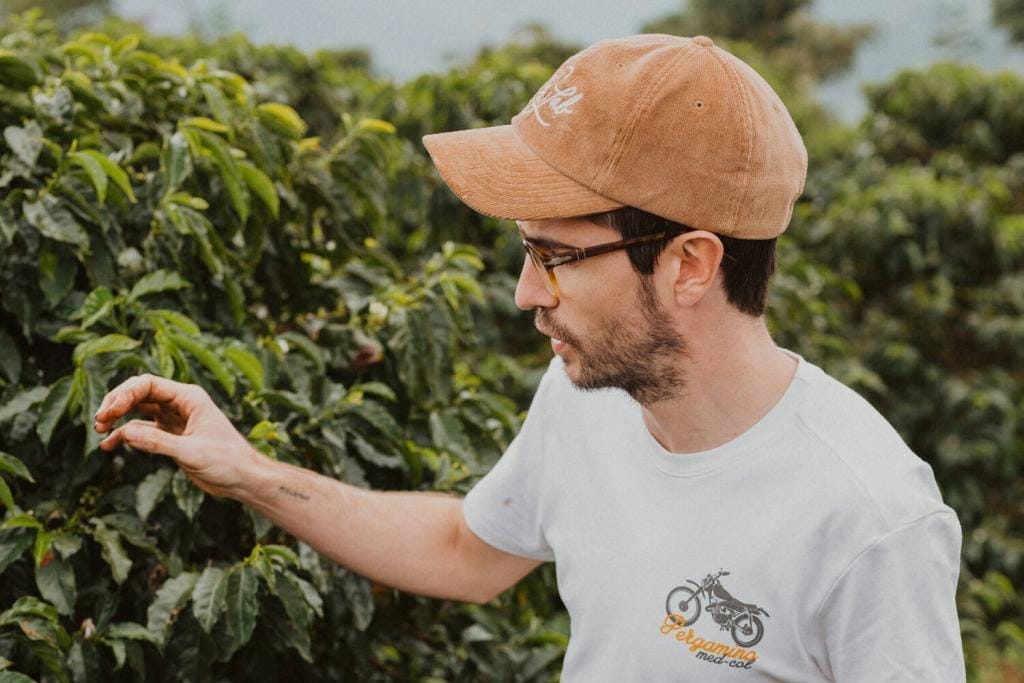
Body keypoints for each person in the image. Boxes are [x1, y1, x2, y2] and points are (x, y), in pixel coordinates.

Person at [94, 34, 965, 681]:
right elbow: (466, 550)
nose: (524, 292)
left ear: (689, 264)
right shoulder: (587, 394)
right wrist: (247, 470)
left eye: (555, 256)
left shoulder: (869, 518)